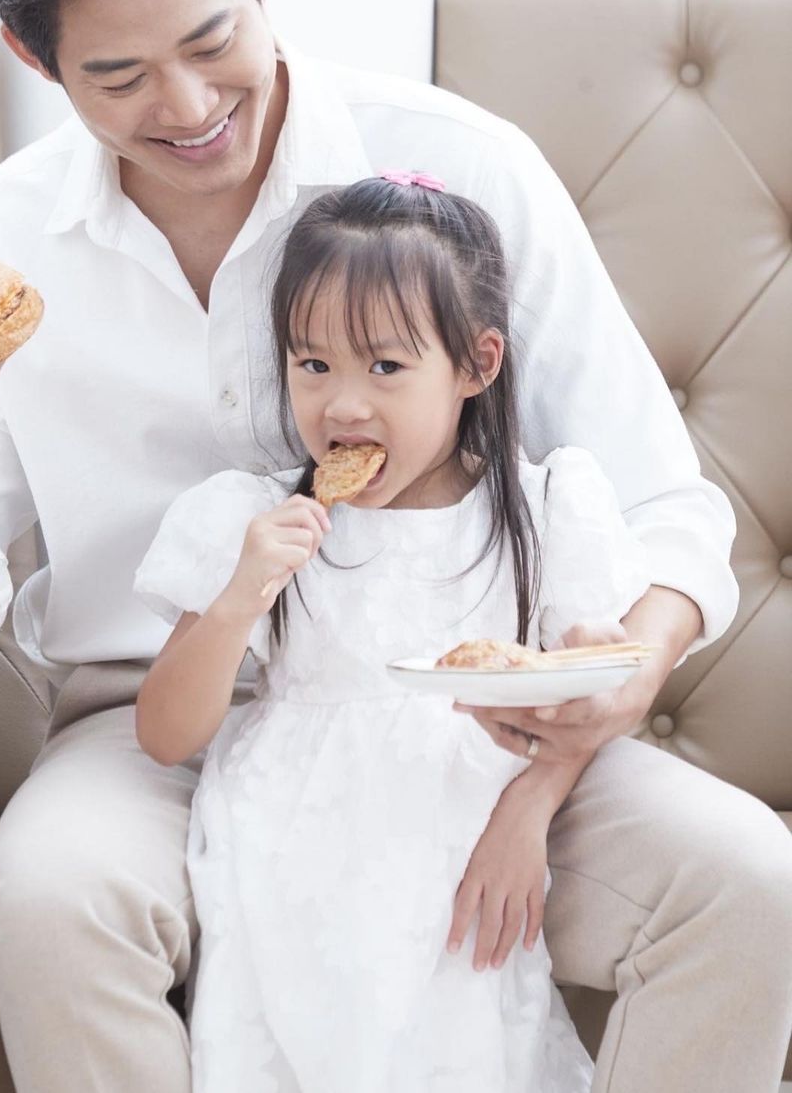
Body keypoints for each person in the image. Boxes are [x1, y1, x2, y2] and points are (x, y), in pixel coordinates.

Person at [0, 0, 792, 1093]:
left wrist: (617, 684)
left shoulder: (462, 167)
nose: (186, 107)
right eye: (118, 76)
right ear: (31, 55)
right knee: (56, 908)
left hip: (462, 717)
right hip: (154, 720)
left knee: (749, 887)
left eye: (211, 40)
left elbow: (666, 505)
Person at [134, 174, 649, 1090]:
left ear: (476, 366)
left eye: (385, 367)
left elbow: (592, 693)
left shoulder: (545, 507)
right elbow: (165, 733)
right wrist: (239, 598)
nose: (343, 406)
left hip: (469, 841)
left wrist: (534, 803)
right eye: (312, 365)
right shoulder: (251, 519)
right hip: (294, 854)